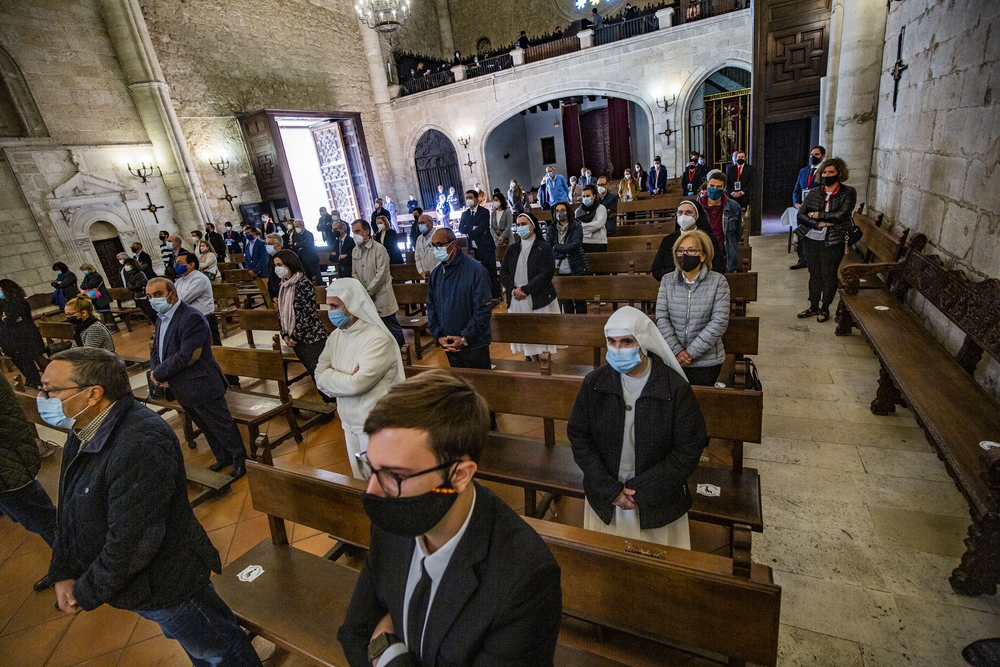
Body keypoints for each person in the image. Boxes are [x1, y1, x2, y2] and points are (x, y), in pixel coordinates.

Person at [38, 347, 262, 666]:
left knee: (219, 651)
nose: (43, 396)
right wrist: (63, 570)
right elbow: (70, 508)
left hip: (167, 584)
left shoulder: (139, 442)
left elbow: (133, 542)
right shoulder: (83, 429)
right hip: (136, 585)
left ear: (92, 394)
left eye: (51, 389)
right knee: (199, 646)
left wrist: (84, 590)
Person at [337, 371, 562, 667]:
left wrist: (387, 653)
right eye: (371, 467)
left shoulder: (525, 580)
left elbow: (371, 639)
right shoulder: (393, 523)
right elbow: (355, 632)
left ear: (459, 475)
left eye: (395, 475)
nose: (373, 491)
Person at [568, 306, 707, 547]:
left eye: (626, 342)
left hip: (657, 495)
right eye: (611, 341)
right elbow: (580, 436)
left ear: (643, 344)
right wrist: (609, 489)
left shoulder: (674, 388)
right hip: (607, 490)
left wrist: (641, 490)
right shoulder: (595, 383)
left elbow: (687, 450)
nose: (617, 349)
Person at [147, 277, 247, 475]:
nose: (153, 300)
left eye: (158, 294)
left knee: (221, 425)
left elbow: (188, 355)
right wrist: (155, 371)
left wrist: (159, 373)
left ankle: (241, 460)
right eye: (149, 296)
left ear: (172, 294)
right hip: (180, 385)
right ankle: (222, 456)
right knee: (204, 425)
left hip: (201, 382)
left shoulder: (191, 317)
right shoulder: (162, 317)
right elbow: (156, 349)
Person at [315, 279, 404, 479]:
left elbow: (358, 384)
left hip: (375, 426)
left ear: (352, 305)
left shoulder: (377, 338)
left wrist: (335, 377)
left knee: (383, 482)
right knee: (360, 479)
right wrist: (344, 378)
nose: (330, 312)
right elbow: (319, 375)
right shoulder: (336, 336)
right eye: (328, 305)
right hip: (348, 423)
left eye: (334, 306)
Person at [0, 372, 58, 590]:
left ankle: (76, 570)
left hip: (9, 463)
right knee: (37, 520)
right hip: (8, 466)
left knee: (45, 519)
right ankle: (67, 565)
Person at [656, 230, 731, 386]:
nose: (685, 255)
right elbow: (662, 318)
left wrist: (690, 353)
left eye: (691, 250)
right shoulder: (667, 280)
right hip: (673, 358)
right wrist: (676, 350)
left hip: (706, 362)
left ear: (703, 254)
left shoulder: (718, 281)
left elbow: (719, 322)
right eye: (680, 251)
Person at [795, 157, 857, 323]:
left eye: (831, 172)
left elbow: (842, 215)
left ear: (839, 174)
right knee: (814, 273)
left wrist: (816, 215)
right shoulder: (815, 192)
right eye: (824, 172)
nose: (827, 175)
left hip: (834, 239)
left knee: (828, 275)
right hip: (812, 238)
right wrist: (820, 222)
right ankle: (813, 306)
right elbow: (800, 215)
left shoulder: (848, 192)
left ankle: (825, 307)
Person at [426, 227, 493, 369]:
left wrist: (464, 337)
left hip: (474, 344)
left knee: (480, 386)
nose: (436, 249)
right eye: (434, 245)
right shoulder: (437, 274)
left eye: (440, 244)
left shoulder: (476, 270)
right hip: (448, 342)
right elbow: (431, 306)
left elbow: (483, 310)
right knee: (458, 387)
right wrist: (438, 335)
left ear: (453, 244)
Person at [272, 249, 331, 402]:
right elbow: (281, 312)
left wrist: (295, 336)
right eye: (275, 265)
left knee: (319, 371)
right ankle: (326, 400)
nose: (277, 268)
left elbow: (309, 314)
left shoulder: (304, 283)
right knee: (312, 372)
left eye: (280, 264)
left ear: (289, 264)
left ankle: (330, 400)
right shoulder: (284, 285)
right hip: (294, 337)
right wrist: (284, 333)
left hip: (311, 337)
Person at [499, 213, 559, 362]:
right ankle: (533, 361)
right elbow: (504, 272)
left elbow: (546, 273)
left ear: (532, 226)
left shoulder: (543, 247)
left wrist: (525, 290)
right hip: (517, 297)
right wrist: (513, 289)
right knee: (527, 337)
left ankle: (545, 362)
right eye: (518, 225)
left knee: (542, 334)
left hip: (537, 296)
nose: (520, 227)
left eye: (524, 224)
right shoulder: (512, 249)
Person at [352, 219, 405, 347]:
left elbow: (381, 274)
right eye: (353, 232)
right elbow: (354, 272)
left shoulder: (379, 249)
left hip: (380, 295)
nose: (355, 235)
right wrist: (362, 291)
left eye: (358, 231)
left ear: (366, 231)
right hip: (365, 295)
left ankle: (403, 352)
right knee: (374, 329)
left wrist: (369, 292)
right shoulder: (355, 250)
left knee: (390, 326)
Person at [652, 200, 725, 280]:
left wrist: (695, 275)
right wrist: (679, 274)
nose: (683, 216)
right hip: (674, 286)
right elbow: (656, 270)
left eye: (688, 212)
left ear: (697, 216)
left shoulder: (708, 238)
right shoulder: (668, 240)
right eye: (680, 212)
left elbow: (720, 267)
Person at [0, 279, 47, 388]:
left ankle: (53, 377)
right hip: (21, 336)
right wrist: (8, 319)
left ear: (7, 289)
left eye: (1, 290)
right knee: (31, 358)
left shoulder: (18, 301)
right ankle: (36, 380)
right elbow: (9, 318)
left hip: (28, 335)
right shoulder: (8, 302)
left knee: (38, 357)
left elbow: (11, 318)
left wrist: (7, 318)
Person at [546, 201, 590, 314]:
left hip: (575, 267)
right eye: (557, 211)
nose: (559, 213)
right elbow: (548, 247)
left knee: (579, 299)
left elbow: (574, 246)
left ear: (568, 212)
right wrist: (561, 250)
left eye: (562, 210)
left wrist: (556, 247)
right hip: (559, 269)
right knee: (566, 300)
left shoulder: (576, 226)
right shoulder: (552, 228)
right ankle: (570, 324)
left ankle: (582, 323)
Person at [459, 189, 500, 303]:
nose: (468, 200)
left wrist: (469, 230)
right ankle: (481, 296)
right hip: (472, 248)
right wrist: (473, 228)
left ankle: (495, 295)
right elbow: (461, 228)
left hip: (485, 246)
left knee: (490, 271)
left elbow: (482, 228)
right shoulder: (465, 214)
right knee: (476, 273)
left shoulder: (484, 212)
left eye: (470, 197)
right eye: (467, 198)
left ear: (477, 199)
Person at [698, 170, 743, 273]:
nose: (714, 189)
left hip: (725, 256)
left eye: (718, 187)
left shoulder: (733, 207)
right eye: (712, 186)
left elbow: (738, 232)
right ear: (707, 184)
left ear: (724, 188)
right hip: (702, 256)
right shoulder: (698, 207)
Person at [790, 145, 826, 270]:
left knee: (814, 234)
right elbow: (796, 190)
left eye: (816, 154)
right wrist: (796, 203)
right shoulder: (803, 171)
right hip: (803, 208)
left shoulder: (824, 172)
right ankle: (802, 259)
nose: (813, 157)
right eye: (812, 154)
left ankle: (815, 260)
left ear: (822, 156)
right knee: (801, 233)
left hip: (817, 209)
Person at [78, 264, 117, 332]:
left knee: (106, 312)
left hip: (102, 296)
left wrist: (87, 286)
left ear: (89, 269)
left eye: (84, 270)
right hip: (95, 297)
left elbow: (90, 285)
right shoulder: (87, 276)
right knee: (100, 312)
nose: (84, 272)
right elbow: (82, 286)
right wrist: (87, 286)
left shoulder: (96, 276)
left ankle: (114, 327)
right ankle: (107, 327)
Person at [121, 258, 157, 324]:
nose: (126, 266)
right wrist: (131, 287)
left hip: (143, 296)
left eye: (127, 264)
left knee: (151, 313)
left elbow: (138, 286)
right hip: (137, 296)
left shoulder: (140, 274)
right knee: (147, 313)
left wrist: (132, 287)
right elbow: (128, 285)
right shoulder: (130, 275)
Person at [576, 184, 609, 252]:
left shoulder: (601, 208)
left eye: (588, 196)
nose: (585, 198)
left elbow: (599, 224)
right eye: (584, 196)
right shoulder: (578, 211)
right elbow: (575, 227)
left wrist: (581, 227)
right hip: (583, 241)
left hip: (599, 241)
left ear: (594, 196)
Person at [289, 218, 323, 283]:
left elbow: (306, 244)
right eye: (295, 227)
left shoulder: (308, 234)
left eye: (297, 226)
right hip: (302, 259)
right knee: (307, 277)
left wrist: (296, 244)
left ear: (302, 226)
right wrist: (296, 244)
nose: (296, 228)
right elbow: (293, 245)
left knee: (316, 277)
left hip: (311, 259)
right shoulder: (295, 235)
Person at [243, 225, 270, 293]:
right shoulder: (247, 245)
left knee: (267, 292)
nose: (247, 235)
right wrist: (250, 270)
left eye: (248, 233)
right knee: (262, 293)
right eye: (245, 233)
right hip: (254, 274)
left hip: (262, 272)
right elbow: (246, 258)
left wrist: (255, 270)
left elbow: (264, 258)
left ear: (254, 233)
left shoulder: (261, 243)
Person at [413, 214, 439, 278]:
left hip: (438, 272)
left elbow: (441, 256)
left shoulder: (438, 236)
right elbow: (417, 257)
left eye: (422, 223)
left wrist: (435, 271)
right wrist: (421, 271)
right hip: (425, 274)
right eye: (419, 223)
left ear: (430, 223)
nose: (420, 225)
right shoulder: (419, 239)